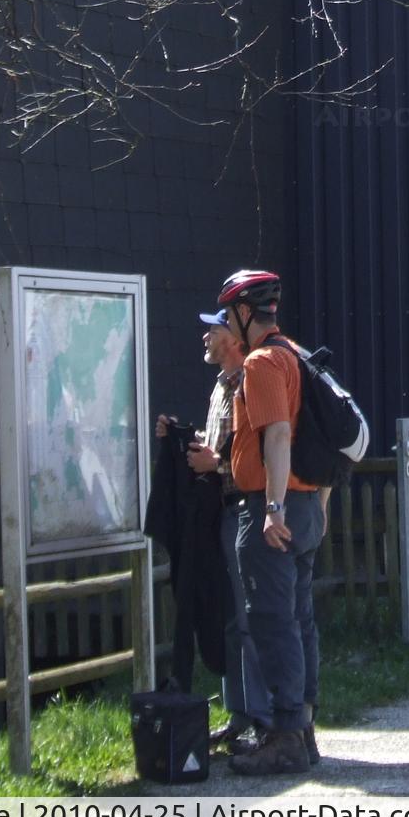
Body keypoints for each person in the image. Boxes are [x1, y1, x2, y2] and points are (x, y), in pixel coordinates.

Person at [213, 268, 325, 777]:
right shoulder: (295, 354)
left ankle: (282, 738)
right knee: (299, 619)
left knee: (273, 622)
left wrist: (273, 509)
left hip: (270, 509)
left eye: (227, 313)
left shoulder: (260, 362)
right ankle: (301, 729)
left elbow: (278, 435)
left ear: (242, 313)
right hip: (304, 508)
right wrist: (311, 505)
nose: (226, 323)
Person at [153, 310, 268, 752]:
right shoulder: (222, 383)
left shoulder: (251, 380)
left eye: (213, 330)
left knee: (250, 618)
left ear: (234, 339)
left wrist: (215, 464)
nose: (205, 335)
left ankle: (263, 718)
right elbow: (221, 441)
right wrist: (182, 438)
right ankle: (239, 715)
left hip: (244, 510)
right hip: (218, 513)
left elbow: (260, 453)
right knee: (227, 618)